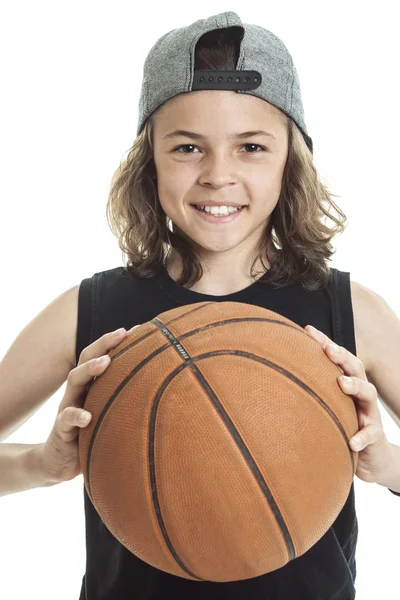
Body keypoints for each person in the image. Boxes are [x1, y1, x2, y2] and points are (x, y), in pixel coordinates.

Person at [1, 10, 399, 600]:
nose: (218, 175)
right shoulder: (88, 310)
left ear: (292, 157)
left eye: (251, 147)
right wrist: (43, 463)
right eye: (188, 147)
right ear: (150, 160)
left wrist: (389, 467)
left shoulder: (350, 311)